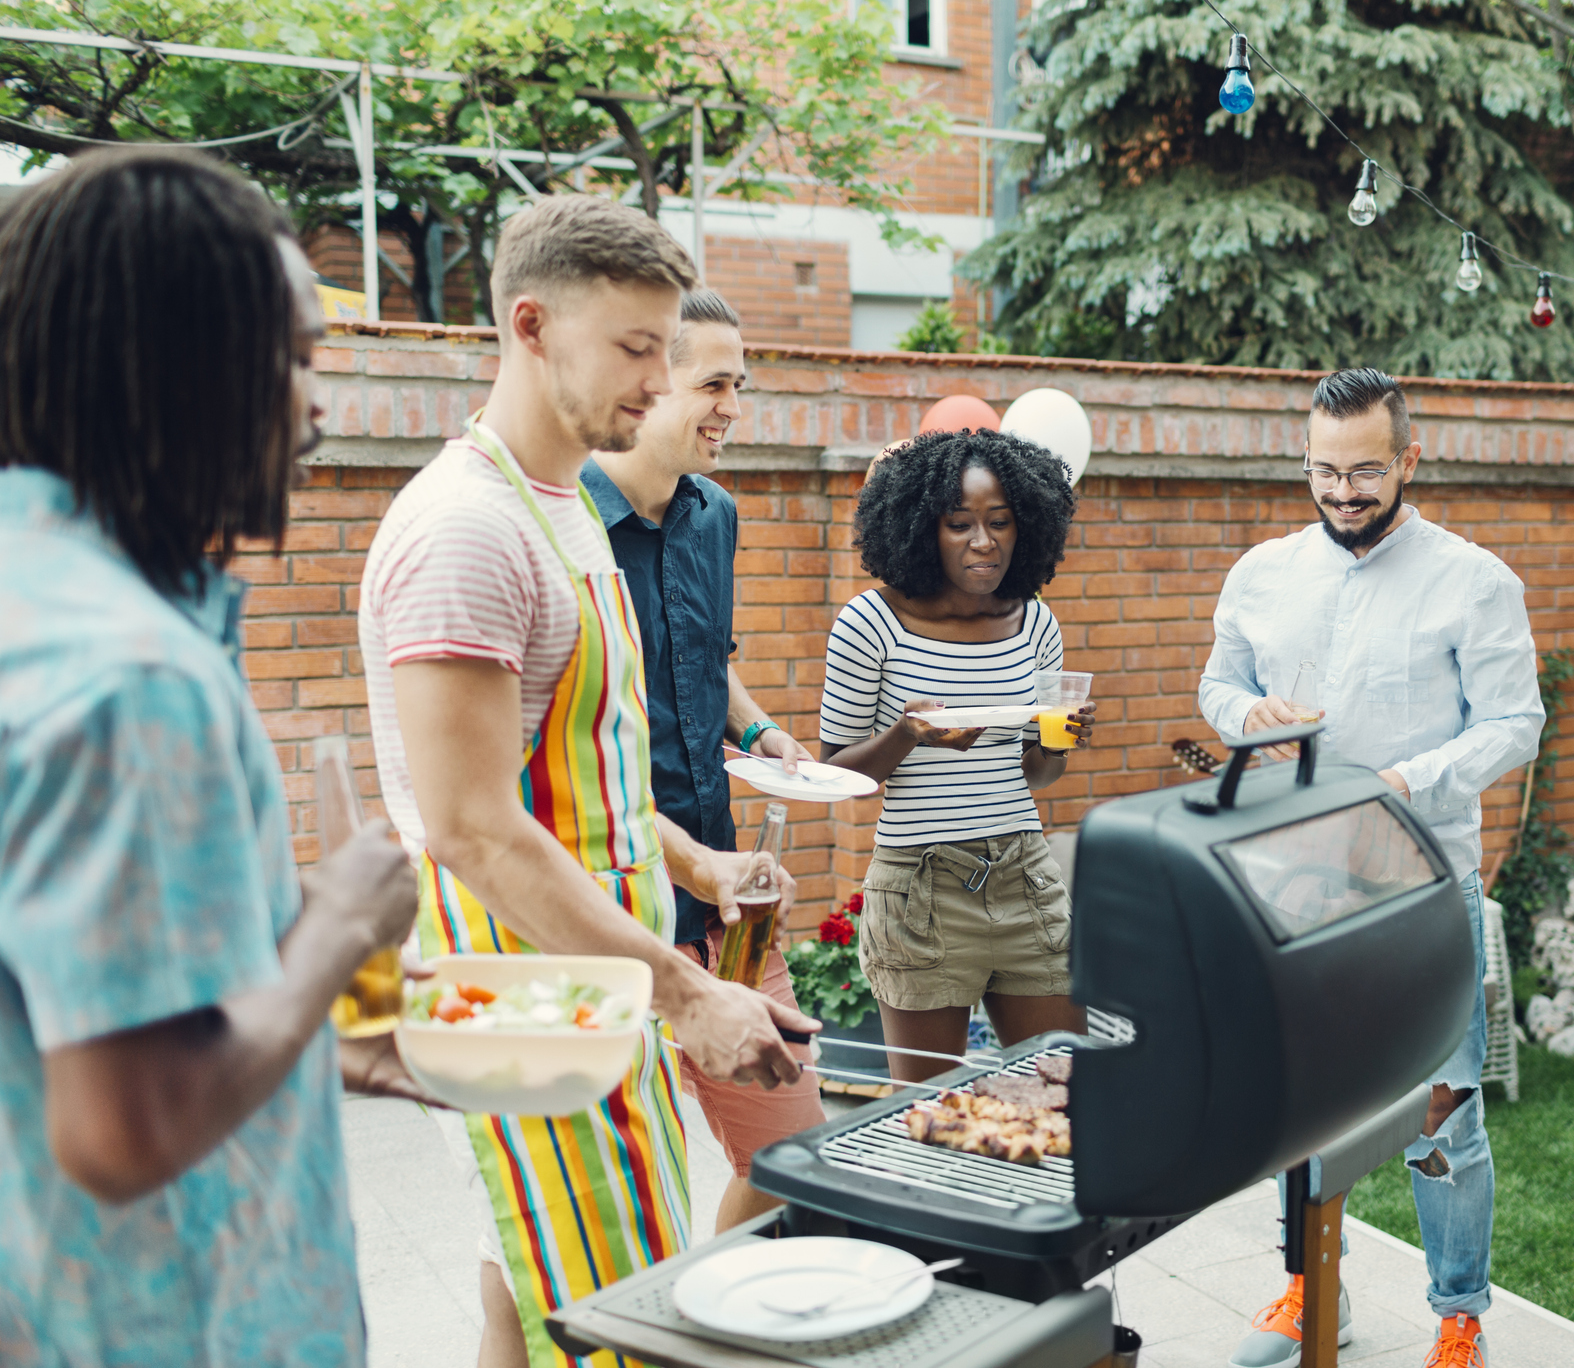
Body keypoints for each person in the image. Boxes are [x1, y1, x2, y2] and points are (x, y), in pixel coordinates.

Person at [358, 194, 818, 1368]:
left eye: (669, 349)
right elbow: (471, 826)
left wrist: (692, 880)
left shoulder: (558, 506)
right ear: (530, 326)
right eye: (635, 348)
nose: (662, 382)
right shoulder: (467, 527)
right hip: (528, 989)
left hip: (593, 973)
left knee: (536, 1275)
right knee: (625, 1323)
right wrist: (682, 993)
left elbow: (594, 783)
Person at [0, 148, 423, 1363]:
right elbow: (128, 1125)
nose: (319, 404)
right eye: (295, 358)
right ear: (178, 364)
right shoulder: (131, 674)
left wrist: (313, 1042)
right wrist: (337, 925)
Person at [1201, 367, 1543, 1368]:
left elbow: (1516, 723)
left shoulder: (1474, 580)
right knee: (1297, 1102)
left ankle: (1459, 1313)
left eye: (1363, 471)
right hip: (1295, 878)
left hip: (1424, 883)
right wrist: (1240, 715)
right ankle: (1312, 1291)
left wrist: (1412, 776)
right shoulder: (1261, 572)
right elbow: (1221, 682)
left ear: (1408, 458)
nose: (1343, 491)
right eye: (1323, 471)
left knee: (1444, 1116)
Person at [581, 285, 826, 1233]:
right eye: (713, 383)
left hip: (732, 910)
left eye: (742, 382)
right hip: (614, 911)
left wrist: (760, 732)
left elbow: (707, 659)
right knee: (614, 1207)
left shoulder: (715, 513)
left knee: (796, 1157)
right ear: (648, 383)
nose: (733, 406)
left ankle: (703, 1316)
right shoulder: (566, 531)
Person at [818, 427, 1095, 1085]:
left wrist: (1057, 739)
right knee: (931, 1112)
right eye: (959, 523)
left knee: (1071, 1094)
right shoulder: (869, 624)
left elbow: (1036, 774)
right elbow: (834, 776)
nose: (983, 541)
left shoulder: (1034, 621)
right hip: (921, 887)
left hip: (1024, 873)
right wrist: (905, 735)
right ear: (921, 528)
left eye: (999, 522)